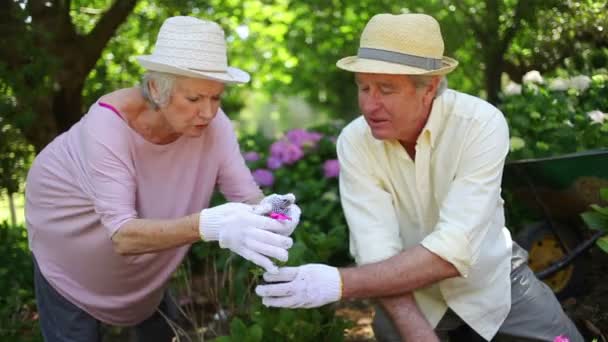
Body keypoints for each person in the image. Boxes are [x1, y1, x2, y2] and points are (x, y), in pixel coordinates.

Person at [255, 13, 584, 342]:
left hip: (491, 282)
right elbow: (377, 254)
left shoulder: (480, 124)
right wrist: (417, 333)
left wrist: (339, 283)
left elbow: (453, 251)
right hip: (406, 295)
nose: (370, 105)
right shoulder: (355, 142)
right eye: (364, 88)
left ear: (428, 89)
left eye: (386, 89)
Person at [25, 16, 300, 342]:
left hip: (146, 271)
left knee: (158, 328)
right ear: (156, 88)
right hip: (70, 258)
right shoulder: (108, 127)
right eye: (195, 99)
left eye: (216, 98)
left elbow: (246, 196)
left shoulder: (214, 125)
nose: (209, 113)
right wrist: (208, 226)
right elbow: (124, 237)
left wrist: (273, 212)